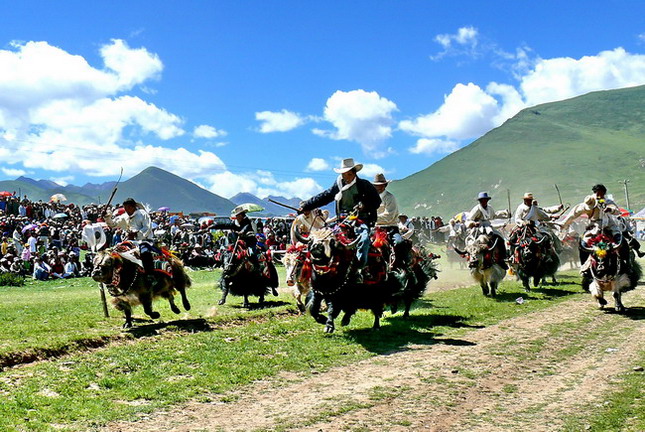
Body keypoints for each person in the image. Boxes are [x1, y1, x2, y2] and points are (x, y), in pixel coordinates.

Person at [299, 158, 381, 280]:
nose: (346, 177)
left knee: (363, 239)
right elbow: (324, 196)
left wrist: (365, 206)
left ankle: (359, 268)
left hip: (360, 220)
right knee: (323, 239)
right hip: (342, 221)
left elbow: (376, 202)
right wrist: (307, 205)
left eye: (349, 174)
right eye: (344, 174)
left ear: (354, 173)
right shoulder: (338, 185)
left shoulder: (364, 185)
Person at [104, 198, 158, 287]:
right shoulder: (124, 216)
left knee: (144, 252)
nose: (126, 210)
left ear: (133, 207)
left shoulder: (143, 214)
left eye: (128, 208)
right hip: (129, 241)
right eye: (125, 208)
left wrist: (136, 234)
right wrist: (106, 217)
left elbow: (147, 228)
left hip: (145, 240)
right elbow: (113, 224)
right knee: (114, 252)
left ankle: (150, 275)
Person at [465, 192, 510, 269]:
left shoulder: (489, 208)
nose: (484, 202)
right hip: (478, 228)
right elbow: (469, 219)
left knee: (500, 238)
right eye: (482, 200)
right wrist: (473, 223)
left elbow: (494, 216)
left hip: (488, 227)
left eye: (485, 200)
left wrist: (505, 214)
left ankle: (502, 259)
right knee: (471, 242)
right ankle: (472, 259)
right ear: (480, 201)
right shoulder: (476, 209)